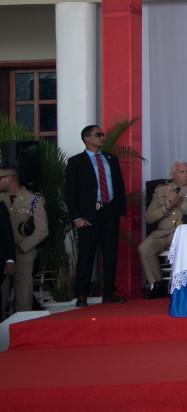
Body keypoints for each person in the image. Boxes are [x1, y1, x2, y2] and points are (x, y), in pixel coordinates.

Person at [65, 124, 127, 306]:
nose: (102, 137)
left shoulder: (111, 159)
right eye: (98, 134)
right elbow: (70, 193)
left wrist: (120, 211)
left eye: (102, 134)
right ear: (87, 138)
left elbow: (119, 186)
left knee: (111, 254)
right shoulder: (76, 162)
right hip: (89, 214)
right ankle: (81, 294)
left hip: (110, 211)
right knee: (86, 255)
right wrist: (76, 218)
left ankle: (109, 292)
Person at [140, 161, 187, 298]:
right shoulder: (161, 190)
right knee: (144, 248)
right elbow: (149, 217)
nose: (186, 174)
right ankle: (158, 285)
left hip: (185, 234)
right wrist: (167, 207)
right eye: (181, 172)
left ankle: (181, 286)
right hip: (163, 234)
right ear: (172, 175)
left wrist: (182, 204)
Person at [0, 163, 47, 315]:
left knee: (23, 300)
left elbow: (42, 230)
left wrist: (20, 247)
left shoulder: (34, 200)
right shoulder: (1, 199)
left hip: (23, 255)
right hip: (2, 256)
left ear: (9, 178)